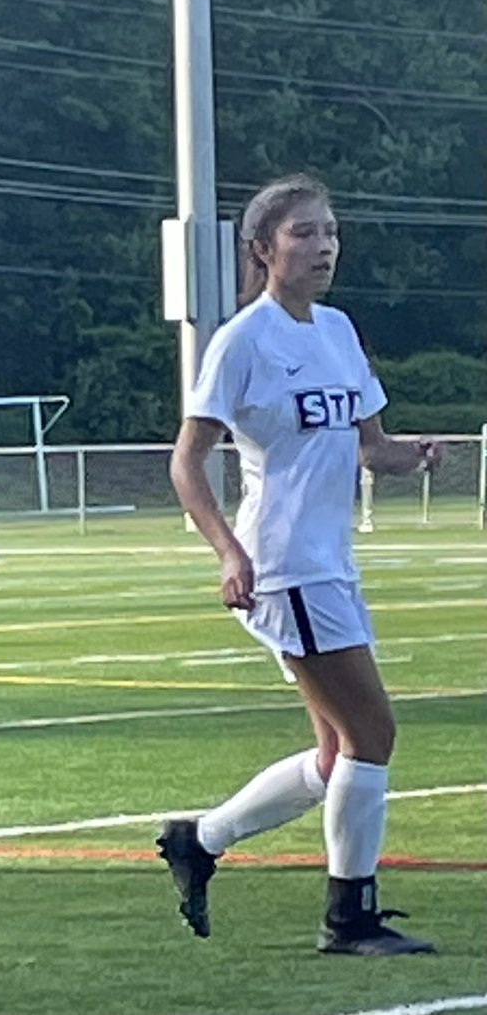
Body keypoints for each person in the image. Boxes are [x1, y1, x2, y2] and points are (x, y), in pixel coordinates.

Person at [158, 174, 440, 956]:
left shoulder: (339, 330)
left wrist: (409, 456)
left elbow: (369, 446)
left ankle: (202, 840)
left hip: (330, 562)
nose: (323, 247)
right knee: (372, 731)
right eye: (304, 233)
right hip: (284, 565)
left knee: (334, 753)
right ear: (262, 248)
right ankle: (348, 915)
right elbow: (186, 463)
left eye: (331, 233)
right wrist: (228, 551)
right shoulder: (243, 341)